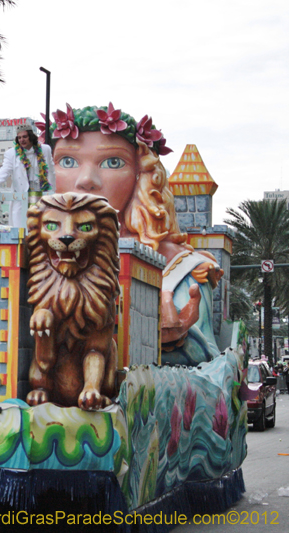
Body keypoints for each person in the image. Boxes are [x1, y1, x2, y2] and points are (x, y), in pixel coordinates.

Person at [50, 103, 219, 366]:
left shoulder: (181, 269)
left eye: (112, 162)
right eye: (67, 161)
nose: (85, 180)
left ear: (143, 175)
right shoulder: (36, 254)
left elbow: (211, 361)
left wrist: (179, 339)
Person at [0, 122, 55, 227]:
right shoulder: (11, 153)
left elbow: (52, 172)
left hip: (41, 194)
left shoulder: (45, 149)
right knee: (20, 228)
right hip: (20, 196)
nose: (22, 140)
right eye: (19, 137)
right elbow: (4, 171)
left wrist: (54, 192)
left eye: (25, 137)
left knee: (42, 226)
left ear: (31, 136)